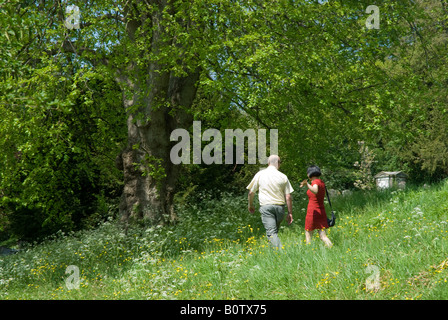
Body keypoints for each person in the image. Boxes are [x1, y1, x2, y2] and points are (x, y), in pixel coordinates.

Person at [247, 155, 294, 250]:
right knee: (273, 233)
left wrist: (250, 205)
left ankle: (282, 254)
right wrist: (290, 213)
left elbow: (251, 192)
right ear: (278, 164)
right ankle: (274, 255)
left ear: (268, 163)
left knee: (271, 233)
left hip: (267, 208)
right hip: (280, 209)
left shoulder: (260, 174)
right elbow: (288, 197)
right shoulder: (283, 176)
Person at [300, 165, 333, 248]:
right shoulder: (321, 182)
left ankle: (309, 253)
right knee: (323, 236)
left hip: (313, 211)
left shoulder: (315, 182)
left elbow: (315, 190)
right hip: (321, 211)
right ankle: (332, 248)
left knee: (308, 235)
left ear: (309, 174)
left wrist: (307, 184)